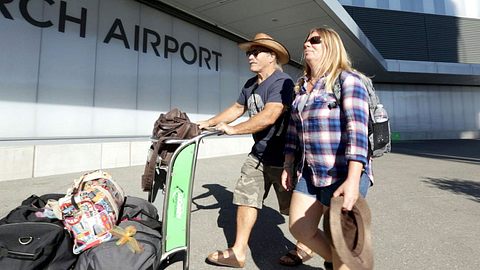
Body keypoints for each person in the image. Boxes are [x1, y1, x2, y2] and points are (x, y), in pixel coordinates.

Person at [198, 33, 312, 268]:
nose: (250, 56)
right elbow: (237, 108)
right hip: (258, 155)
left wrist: (233, 130)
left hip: (285, 158)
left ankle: (305, 246)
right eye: (249, 52)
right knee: (244, 198)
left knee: (293, 209)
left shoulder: (283, 82)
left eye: (256, 52)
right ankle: (238, 252)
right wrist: (205, 124)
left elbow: (270, 115)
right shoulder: (251, 84)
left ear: (271, 56)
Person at [281, 27, 373, 270]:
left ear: (331, 46)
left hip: (344, 173)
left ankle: (342, 261)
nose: (306, 44)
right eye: (306, 40)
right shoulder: (301, 88)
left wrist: (353, 179)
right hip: (309, 171)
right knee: (299, 227)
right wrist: (289, 165)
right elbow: (293, 131)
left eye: (314, 40)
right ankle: (333, 260)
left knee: (344, 243)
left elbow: (358, 130)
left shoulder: (348, 80)